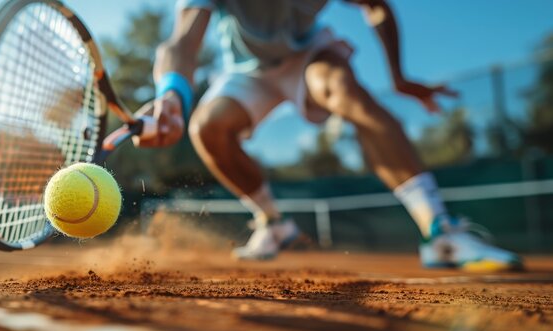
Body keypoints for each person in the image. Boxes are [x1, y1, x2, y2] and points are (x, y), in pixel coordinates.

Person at [138, 0, 523, 271]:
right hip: (246, 71)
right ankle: (274, 225)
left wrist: (399, 77)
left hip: (309, 55)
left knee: (346, 90)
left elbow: (376, 6)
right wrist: (170, 94)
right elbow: (182, 41)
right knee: (206, 129)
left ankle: (439, 231)